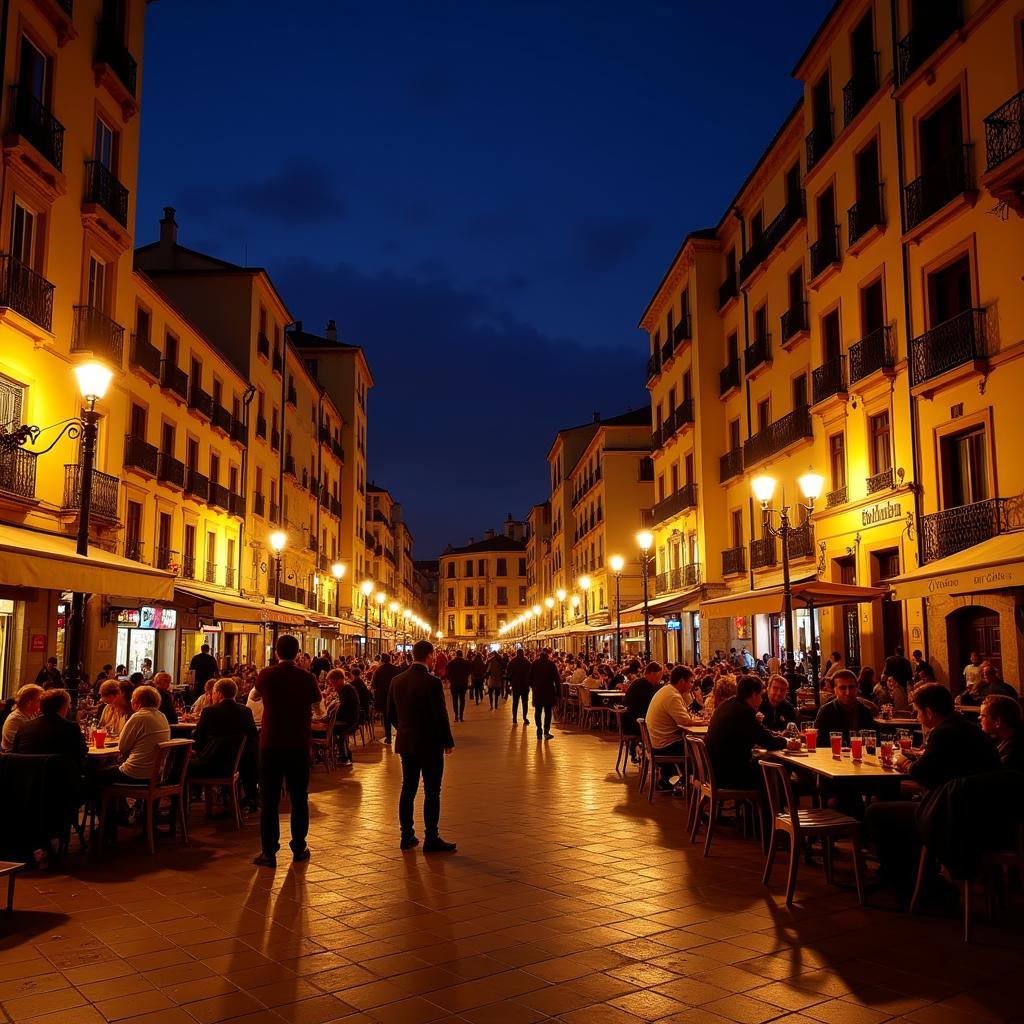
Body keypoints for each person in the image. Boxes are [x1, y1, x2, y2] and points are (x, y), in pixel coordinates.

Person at [865, 683, 1002, 894]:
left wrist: (906, 762)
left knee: (876, 811)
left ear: (928, 712)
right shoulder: (968, 728)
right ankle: (919, 872)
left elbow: (923, 773)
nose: (917, 716)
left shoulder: (943, 733)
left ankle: (900, 877)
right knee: (901, 800)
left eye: (918, 711)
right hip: (987, 813)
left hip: (955, 816)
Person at [253, 635, 321, 869]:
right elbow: (318, 707)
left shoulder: (266, 675)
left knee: (269, 799)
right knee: (299, 797)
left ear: (276, 653)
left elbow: (253, 697)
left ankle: (268, 852)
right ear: (298, 653)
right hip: (299, 744)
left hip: (270, 743)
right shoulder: (307, 677)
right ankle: (299, 847)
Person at [386, 639, 455, 852]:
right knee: (432, 791)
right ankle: (431, 838)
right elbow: (440, 715)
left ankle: (406, 835)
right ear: (429, 656)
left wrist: (405, 729)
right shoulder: (432, 682)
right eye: (433, 656)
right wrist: (447, 741)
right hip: (430, 744)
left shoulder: (396, 680)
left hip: (407, 743)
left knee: (408, 788)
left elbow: (390, 714)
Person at [705, 676, 792, 789]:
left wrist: (775, 736)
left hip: (715, 771)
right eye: (760, 695)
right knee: (776, 770)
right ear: (754, 695)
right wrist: (787, 742)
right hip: (729, 775)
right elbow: (767, 741)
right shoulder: (744, 711)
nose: (761, 699)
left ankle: (759, 806)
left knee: (768, 765)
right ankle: (773, 805)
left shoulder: (728, 705)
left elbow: (760, 732)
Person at [189, 678, 259, 803]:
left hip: (212, 764)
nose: (212, 696)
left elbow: (198, 741)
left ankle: (182, 806)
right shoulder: (246, 711)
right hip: (238, 764)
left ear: (219, 694)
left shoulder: (209, 712)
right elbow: (253, 737)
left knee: (182, 765)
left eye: (214, 693)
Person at [97, 685, 171, 786]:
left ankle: (108, 801)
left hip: (135, 774)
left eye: (132, 699)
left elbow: (122, 747)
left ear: (137, 702)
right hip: (156, 774)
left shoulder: (138, 717)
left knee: (96, 774)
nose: (131, 701)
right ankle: (119, 802)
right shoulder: (162, 716)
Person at [644, 666, 697, 789]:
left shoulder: (668, 690)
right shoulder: (672, 696)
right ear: (682, 681)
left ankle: (672, 780)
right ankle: (689, 784)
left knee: (692, 746)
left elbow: (685, 716)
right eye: (690, 682)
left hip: (657, 741)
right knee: (699, 750)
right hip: (665, 745)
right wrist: (704, 722)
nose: (691, 685)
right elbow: (685, 721)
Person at [814, 670, 876, 744]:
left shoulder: (865, 712)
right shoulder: (825, 711)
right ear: (835, 690)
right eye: (842, 688)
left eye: (851, 687)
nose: (848, 692)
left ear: (857, 688)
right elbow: (818, 743)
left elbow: (874, 742)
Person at [980, 694, 1023, 771]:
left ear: (997, 722)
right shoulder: (1005, 737)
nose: (979, 718)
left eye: (983, 715)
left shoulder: (1012, 754)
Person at [623, 663, 662, 738]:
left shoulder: (638, 682)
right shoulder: (644, 686)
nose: (660, 679)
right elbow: (650, 706)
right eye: (659, 675)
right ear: (652, 674)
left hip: (630, 722)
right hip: (637, 724)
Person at [2, 683, 44, 752]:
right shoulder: (15, 719)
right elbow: (22, 746)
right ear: (29, 703)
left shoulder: (31, 715)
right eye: (38, 701)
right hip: (14, 757)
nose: (41, 704)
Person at [528, 648, 560, 739]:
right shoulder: (551, 664)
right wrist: (558, 692)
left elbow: (529, 678)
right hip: (549, 690)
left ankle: (539, 730)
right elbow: (557, 679)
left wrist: (533, 686)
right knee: (548, 712)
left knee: (538, 711)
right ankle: (546, 731)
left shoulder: (534, 664)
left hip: (538, 691)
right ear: (547, 657)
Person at [371, 654, 401, 744]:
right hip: (395, 695)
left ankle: (388, 737)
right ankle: (400, 732)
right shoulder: (396, 669)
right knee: (395, 715)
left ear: (382, 660)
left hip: (383, 697)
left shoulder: (379, 670)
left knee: (386, 717)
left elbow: (374, 684)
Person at [507, 648, 532, 726]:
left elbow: (509, 673)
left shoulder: (512, 662)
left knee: (515, 702)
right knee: (525, 702)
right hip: (525, 685)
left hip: (516, 685)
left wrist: (510, 682)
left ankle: (514, 718)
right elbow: (531, 673)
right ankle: (525, 718)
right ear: (523, 653)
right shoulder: (527, 662)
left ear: (517, 653)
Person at [446, 650, 471, 723]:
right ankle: (461, 716)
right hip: (463, 684)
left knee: (455, 700)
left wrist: (451, 678)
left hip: (454, 684)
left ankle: (456, 716)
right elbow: (469, 672)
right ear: (462, 655)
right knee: (462, 700)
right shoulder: (466, 663)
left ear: (456, 655)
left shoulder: (451, 663)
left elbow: (447, 674)